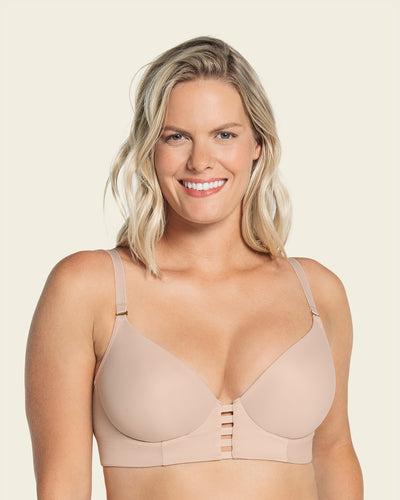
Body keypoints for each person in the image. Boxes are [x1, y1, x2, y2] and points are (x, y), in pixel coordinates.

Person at [25, 36, 363, 499]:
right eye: (176, 136)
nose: (201, 161)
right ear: (150, 148)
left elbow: (334, 452)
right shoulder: (88, 287)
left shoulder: (318, 292)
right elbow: (62, 484)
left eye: (225, 135)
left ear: (258, 143)